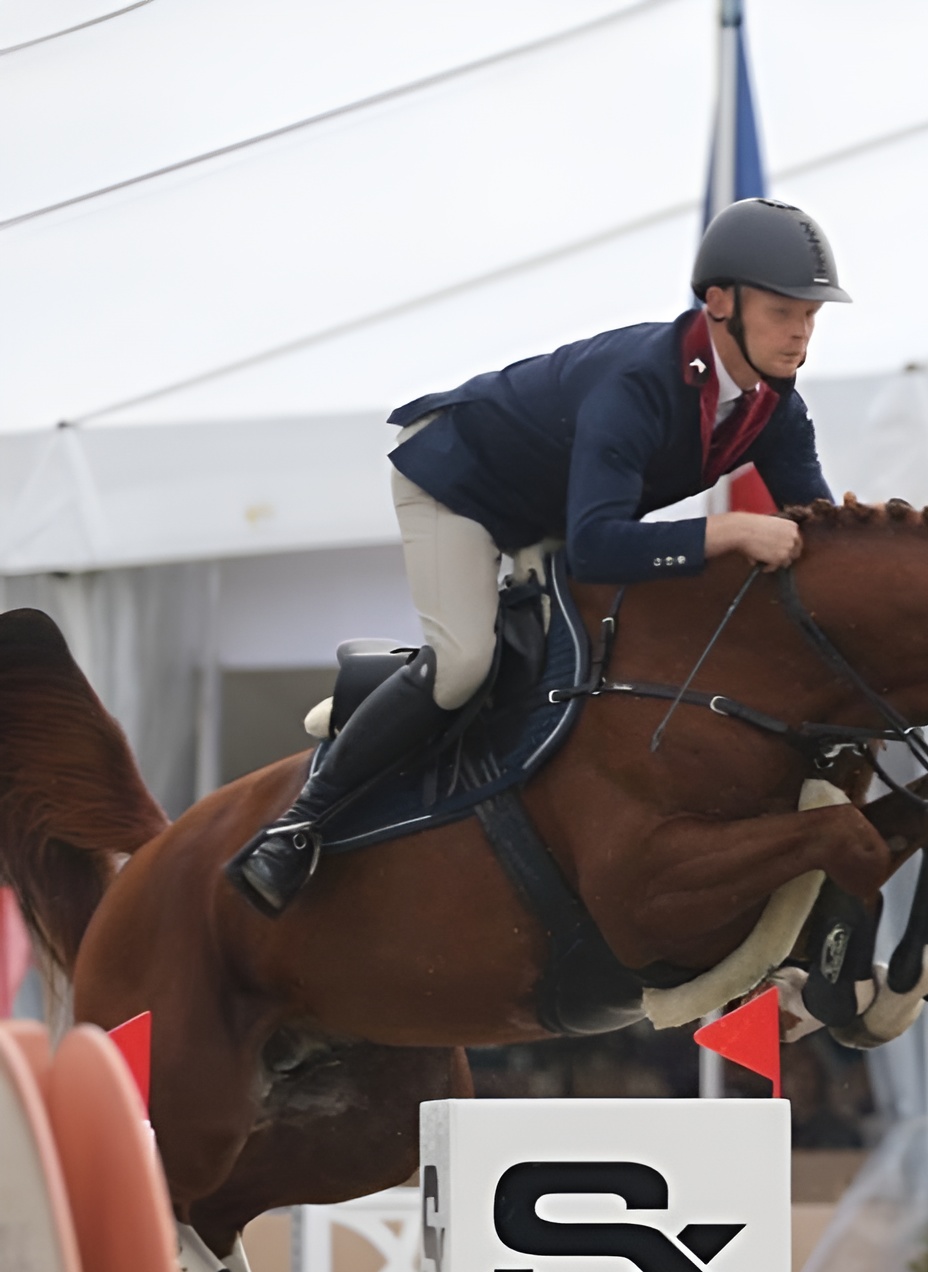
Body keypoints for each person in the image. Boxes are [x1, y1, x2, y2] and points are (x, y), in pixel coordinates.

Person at [226, 198, 849, 916]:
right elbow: (595, 547)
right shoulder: (640, 384)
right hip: (458, 480)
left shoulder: (775, 406)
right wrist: (730, 533)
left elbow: (818, 529)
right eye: (783, 311)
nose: (800, 332)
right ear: (718, 302)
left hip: (549, 508)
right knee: (466, 664)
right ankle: (300, 825)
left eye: (811, 315)